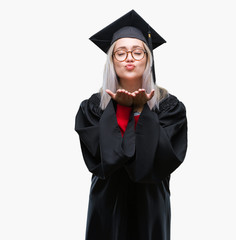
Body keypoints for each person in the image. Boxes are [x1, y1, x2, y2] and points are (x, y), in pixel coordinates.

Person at [74, 9, 188, 240]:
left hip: (150, 205)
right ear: (111, 59)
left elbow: (162, 161)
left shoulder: (168, 106)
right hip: (107, 204)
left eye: (137, 52)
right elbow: (103, 160)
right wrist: (124, 110)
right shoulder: (94, 107)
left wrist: (140, 110)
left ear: (148, 59)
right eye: (121, 52)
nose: (129, 58)